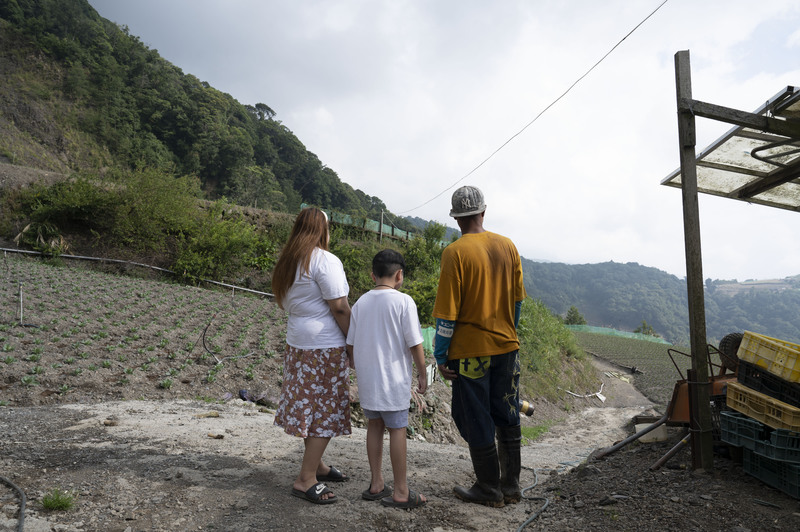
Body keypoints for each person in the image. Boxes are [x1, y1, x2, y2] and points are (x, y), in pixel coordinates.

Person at [432, 185, 527, 507]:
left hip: (471, 351)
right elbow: (516, 304)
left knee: (477, 415)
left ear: (457, 219)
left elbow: (447, 316)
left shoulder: (455, 252)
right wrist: (508, 334)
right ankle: (511, 486)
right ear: (483, 212)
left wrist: (441, 355)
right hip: (507, 347)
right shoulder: (508, 246)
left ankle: (488, 489)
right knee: (507, 411)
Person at [272, 207, 352, 505]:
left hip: (298, 343)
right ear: (323, 230)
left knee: (310, 406)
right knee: (326, 410)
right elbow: (340, 307)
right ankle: (305, 478)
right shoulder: (324, 260)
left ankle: (316, 464)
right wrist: (353, 342)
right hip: (324, 346)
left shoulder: (288, 262)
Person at [346, 249, 428, 509]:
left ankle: (376, 483)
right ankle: (402, 491)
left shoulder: (360, 303)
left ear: (373, 275)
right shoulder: (404, 302)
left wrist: (357, 366)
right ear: (400, 275)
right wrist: (423, 373)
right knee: (397, 430)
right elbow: (415, 344)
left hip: (370, 381)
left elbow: (351, 344)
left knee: (374, 427)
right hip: (393, 382)